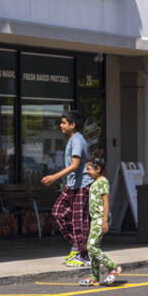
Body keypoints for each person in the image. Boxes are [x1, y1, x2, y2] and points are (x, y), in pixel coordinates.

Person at [42, 111, 91, 268]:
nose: (61, 126)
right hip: (72, 185)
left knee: (78, 221)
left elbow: (75, 165)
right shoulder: (74, 139)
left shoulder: (77, 140)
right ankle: (79, 246)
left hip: (81, 185)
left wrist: (54, 177)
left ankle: (83, 254)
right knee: (58, 212)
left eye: (63, 123)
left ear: (72, 125)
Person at [76, 161, 122, 288]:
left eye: (89, 169)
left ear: (98, 169)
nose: (87, 171)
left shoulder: (102, 181)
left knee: (90, 247)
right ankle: (94, 277)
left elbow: (106, 202)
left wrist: (104, 220)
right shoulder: (95, 182)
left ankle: (113, 267)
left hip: (100, 219)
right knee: (93, 249)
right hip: (95, 219)